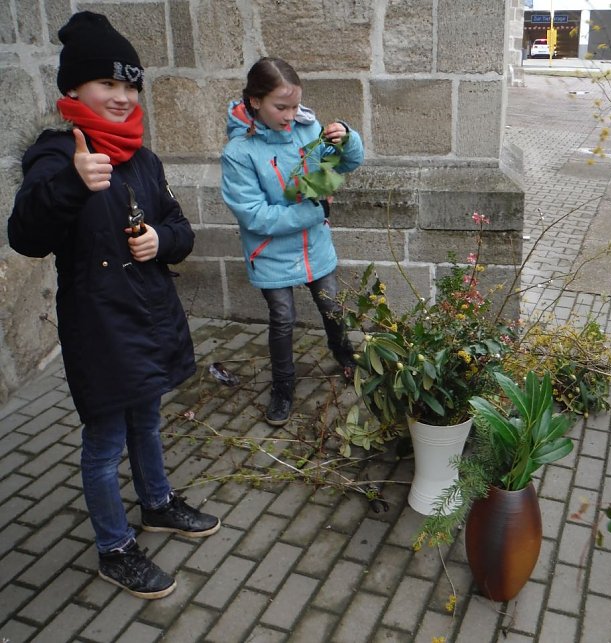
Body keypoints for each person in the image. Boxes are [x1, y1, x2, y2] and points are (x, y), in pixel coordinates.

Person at [7, 12, 220, 600]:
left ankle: (155, 504)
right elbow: (25, 234)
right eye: (110, 85)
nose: (124, 97)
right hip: (99, 328)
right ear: (74, 90)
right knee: (103, 443)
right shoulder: (54, 157)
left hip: (147, 316)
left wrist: (161, 240)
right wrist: (74, 181)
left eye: (131, 86)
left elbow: (179, 227)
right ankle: (114, 547)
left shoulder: (143, 159)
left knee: (147, 420)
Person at [221, 57, 365, 426]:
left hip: (314, 245)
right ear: (255, 101)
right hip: (269, 252)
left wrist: (347, 138)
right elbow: (254, 215)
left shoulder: (306, 129)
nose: (290, 114)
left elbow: (343, 165)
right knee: (283, 318)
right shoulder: (240, 152)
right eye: (280, 107)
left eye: (295, 105)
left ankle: (346, 356)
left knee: (331, 304)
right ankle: (283, 388)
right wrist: (314, 212)